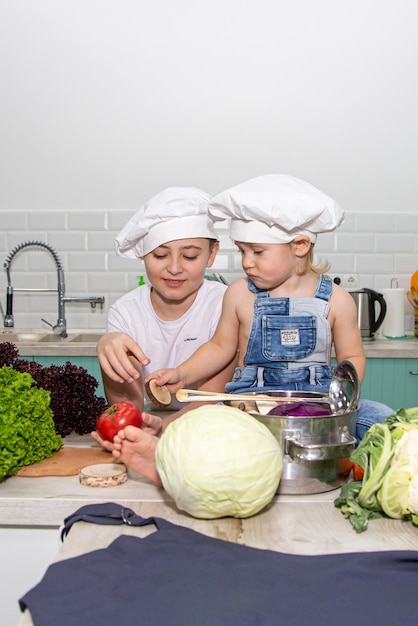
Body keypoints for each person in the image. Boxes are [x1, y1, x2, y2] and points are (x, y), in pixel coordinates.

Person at [111, 174, 395, 481]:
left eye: (257, 252)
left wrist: (342, 399)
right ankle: (158, 458)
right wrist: (182, 373)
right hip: (250, 410)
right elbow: (220, 348)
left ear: (299, 245)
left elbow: (353, 357)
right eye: (242, 251)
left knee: (383, 419)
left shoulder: (337, 300)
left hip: (316, 411)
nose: (247, 262)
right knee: (206, 434)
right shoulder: (239, 295)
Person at [91, 186, 237, 450]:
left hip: (209, 426)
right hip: (149, 424)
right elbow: (128, 409)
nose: (174, 268)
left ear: (211, 255)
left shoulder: (227, 303)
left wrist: (163, 430)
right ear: (144, 256)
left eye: (190, 255)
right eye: (160, 254)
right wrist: (109, 350)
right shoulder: (125, 312)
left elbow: (212, 399)